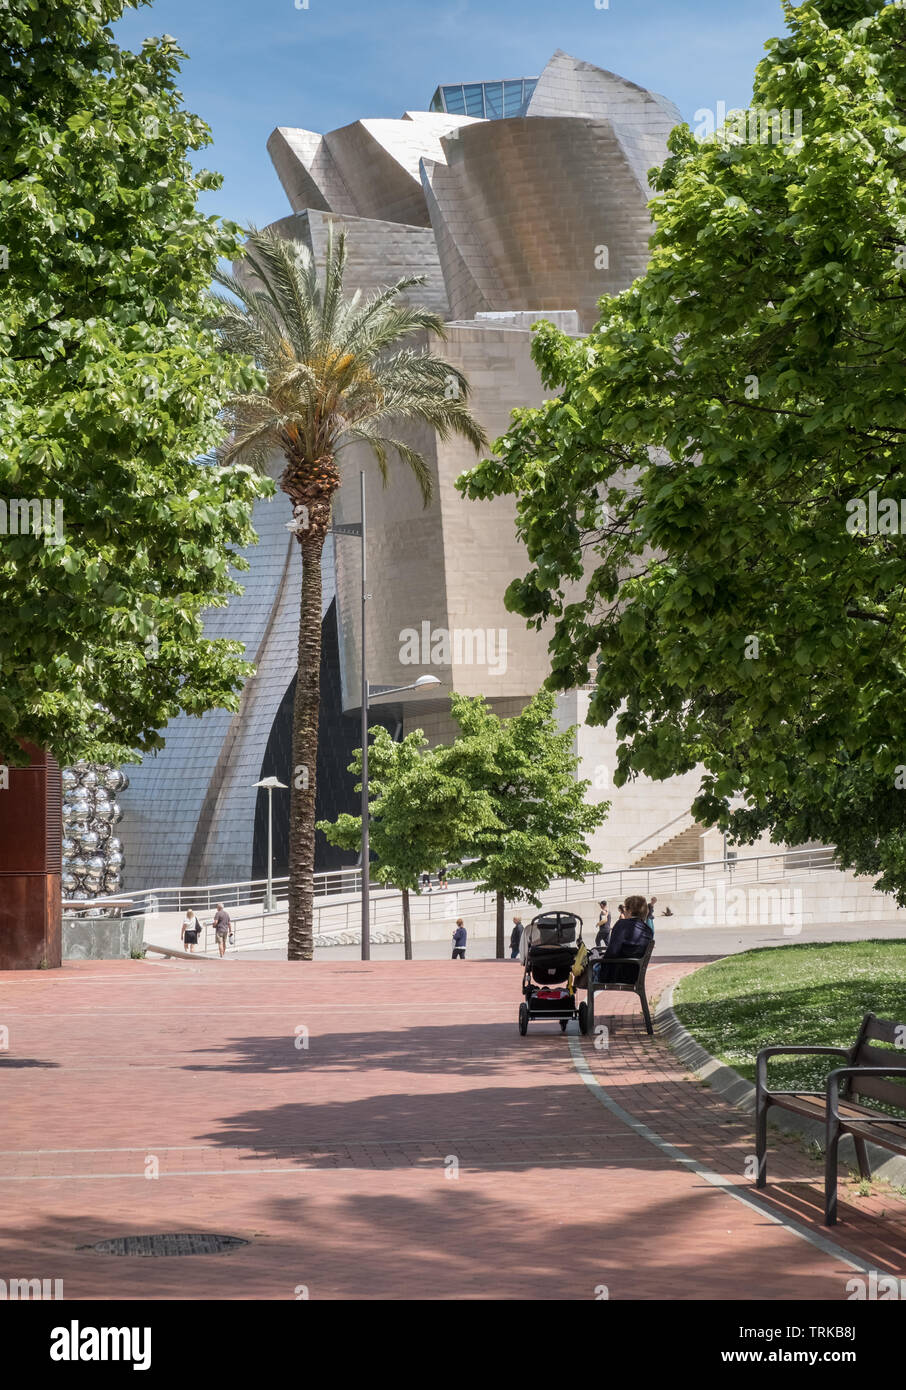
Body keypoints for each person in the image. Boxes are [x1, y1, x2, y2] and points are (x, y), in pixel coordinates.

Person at [596, 895, 654, 984]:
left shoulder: (622, 925)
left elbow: (612, 952)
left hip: (616, 975)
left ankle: (570, 995)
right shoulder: (648, 930)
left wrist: (599, 959)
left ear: (630, 911)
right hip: (635, 975)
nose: (624, 910)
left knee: (585, 967)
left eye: (625, 908)